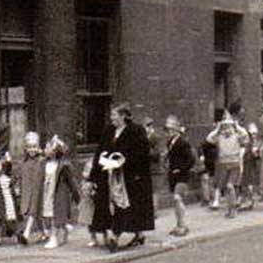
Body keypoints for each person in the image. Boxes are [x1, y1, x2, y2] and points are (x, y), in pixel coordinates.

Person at [90, 103, 154, 252]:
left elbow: (142, 153)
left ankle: (115, 237)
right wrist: (95, 174)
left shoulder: (136, 131)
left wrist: (123, 163)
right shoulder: (109, 131)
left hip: (129, 177)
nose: (111, 118)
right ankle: (136, 234)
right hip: (108, 175)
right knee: (111, 205)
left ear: (123, 116)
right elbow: (100, 151)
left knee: (125, 206)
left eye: (114, 115)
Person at [206, 115, 249, 218]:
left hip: (234, 164)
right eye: (225, 127)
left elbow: (245, 136)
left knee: (230, 186)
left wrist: (236, 126)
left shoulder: (237, 136)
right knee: (226, 189)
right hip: (223, 165)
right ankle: (230, 207)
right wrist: (217, 129)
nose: (227, 129)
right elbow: (209, 139)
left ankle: (233, 209)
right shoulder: (219, 137)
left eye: (228, 127)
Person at [41, 135, 78, 249]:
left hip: (58, 194)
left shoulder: (63, 165)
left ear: (55, 151)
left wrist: (76, 195)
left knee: (54, 216)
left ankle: (54, 238)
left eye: (48, 148)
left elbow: (72, 181)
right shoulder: (44, 164)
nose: (45, 150)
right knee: (48, 215)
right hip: (46, 193)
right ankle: (65, 227)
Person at [164, 115, 195, 236]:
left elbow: (191, 160)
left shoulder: (183, 143)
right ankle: (178, 224)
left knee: (178, 198)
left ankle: (182, 225)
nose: (168, 132)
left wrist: (180, 169)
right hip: (173, 175)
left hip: (182, 176)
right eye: (167, 130)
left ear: (176, 130)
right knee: (175, 200)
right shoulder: (169, 143)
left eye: (171, 130)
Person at [16, 132, 44, 244]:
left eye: (34, 146)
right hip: (27, 190)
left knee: (33, 212)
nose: (32, 149)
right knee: (33, 214)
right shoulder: (24, 162)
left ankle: (26, 233)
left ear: (38, 147)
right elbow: (19, 176)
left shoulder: (42, 160)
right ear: (26, 148)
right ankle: (44, 232)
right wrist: (18, 186)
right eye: (30, 147)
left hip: (39, 190)